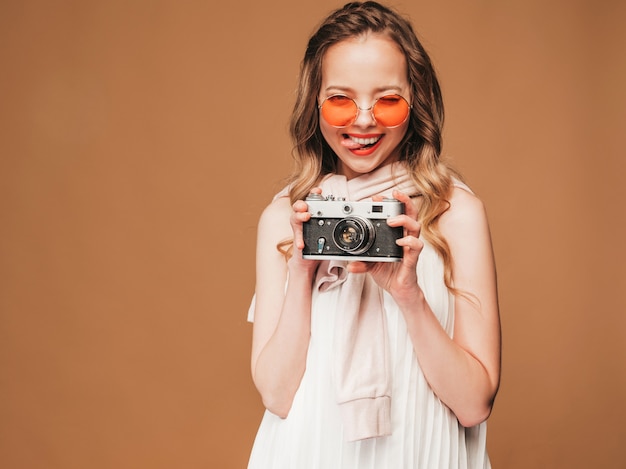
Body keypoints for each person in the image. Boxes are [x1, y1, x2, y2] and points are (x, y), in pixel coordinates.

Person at [247, 2, 501, 467]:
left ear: (415, 103)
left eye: (387, 100)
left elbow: (474, 405)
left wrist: (409, 296)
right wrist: (301, 274)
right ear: (315, 104)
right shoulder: (285, 219)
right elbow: (277, 396)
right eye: (341, 99)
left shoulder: (456, 213)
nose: (363, 121)